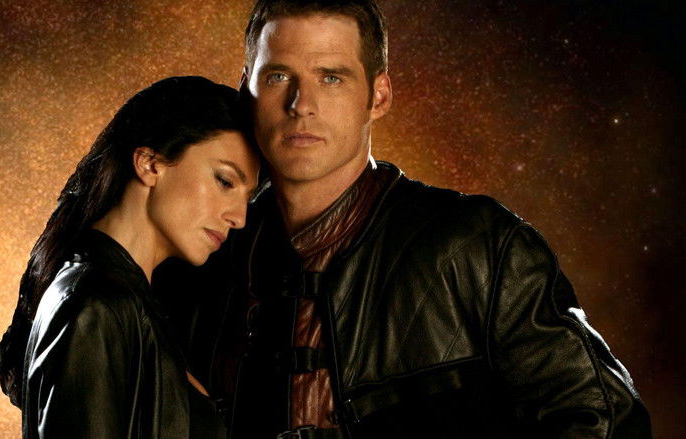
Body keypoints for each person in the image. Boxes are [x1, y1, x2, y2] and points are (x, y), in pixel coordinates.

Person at [167, 1, 652, 438]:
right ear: (246, 89)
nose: (301, 105)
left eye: (331, 77)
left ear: (378, 96)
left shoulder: (477, 245)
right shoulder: (206, 258)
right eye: (278, 76)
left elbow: (604, 420)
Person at [0, 76, 260, 438]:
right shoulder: (97, 305)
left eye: (247, 197)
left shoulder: (132, 303)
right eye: (225, 181)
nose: (239, 217)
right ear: (149, 163)